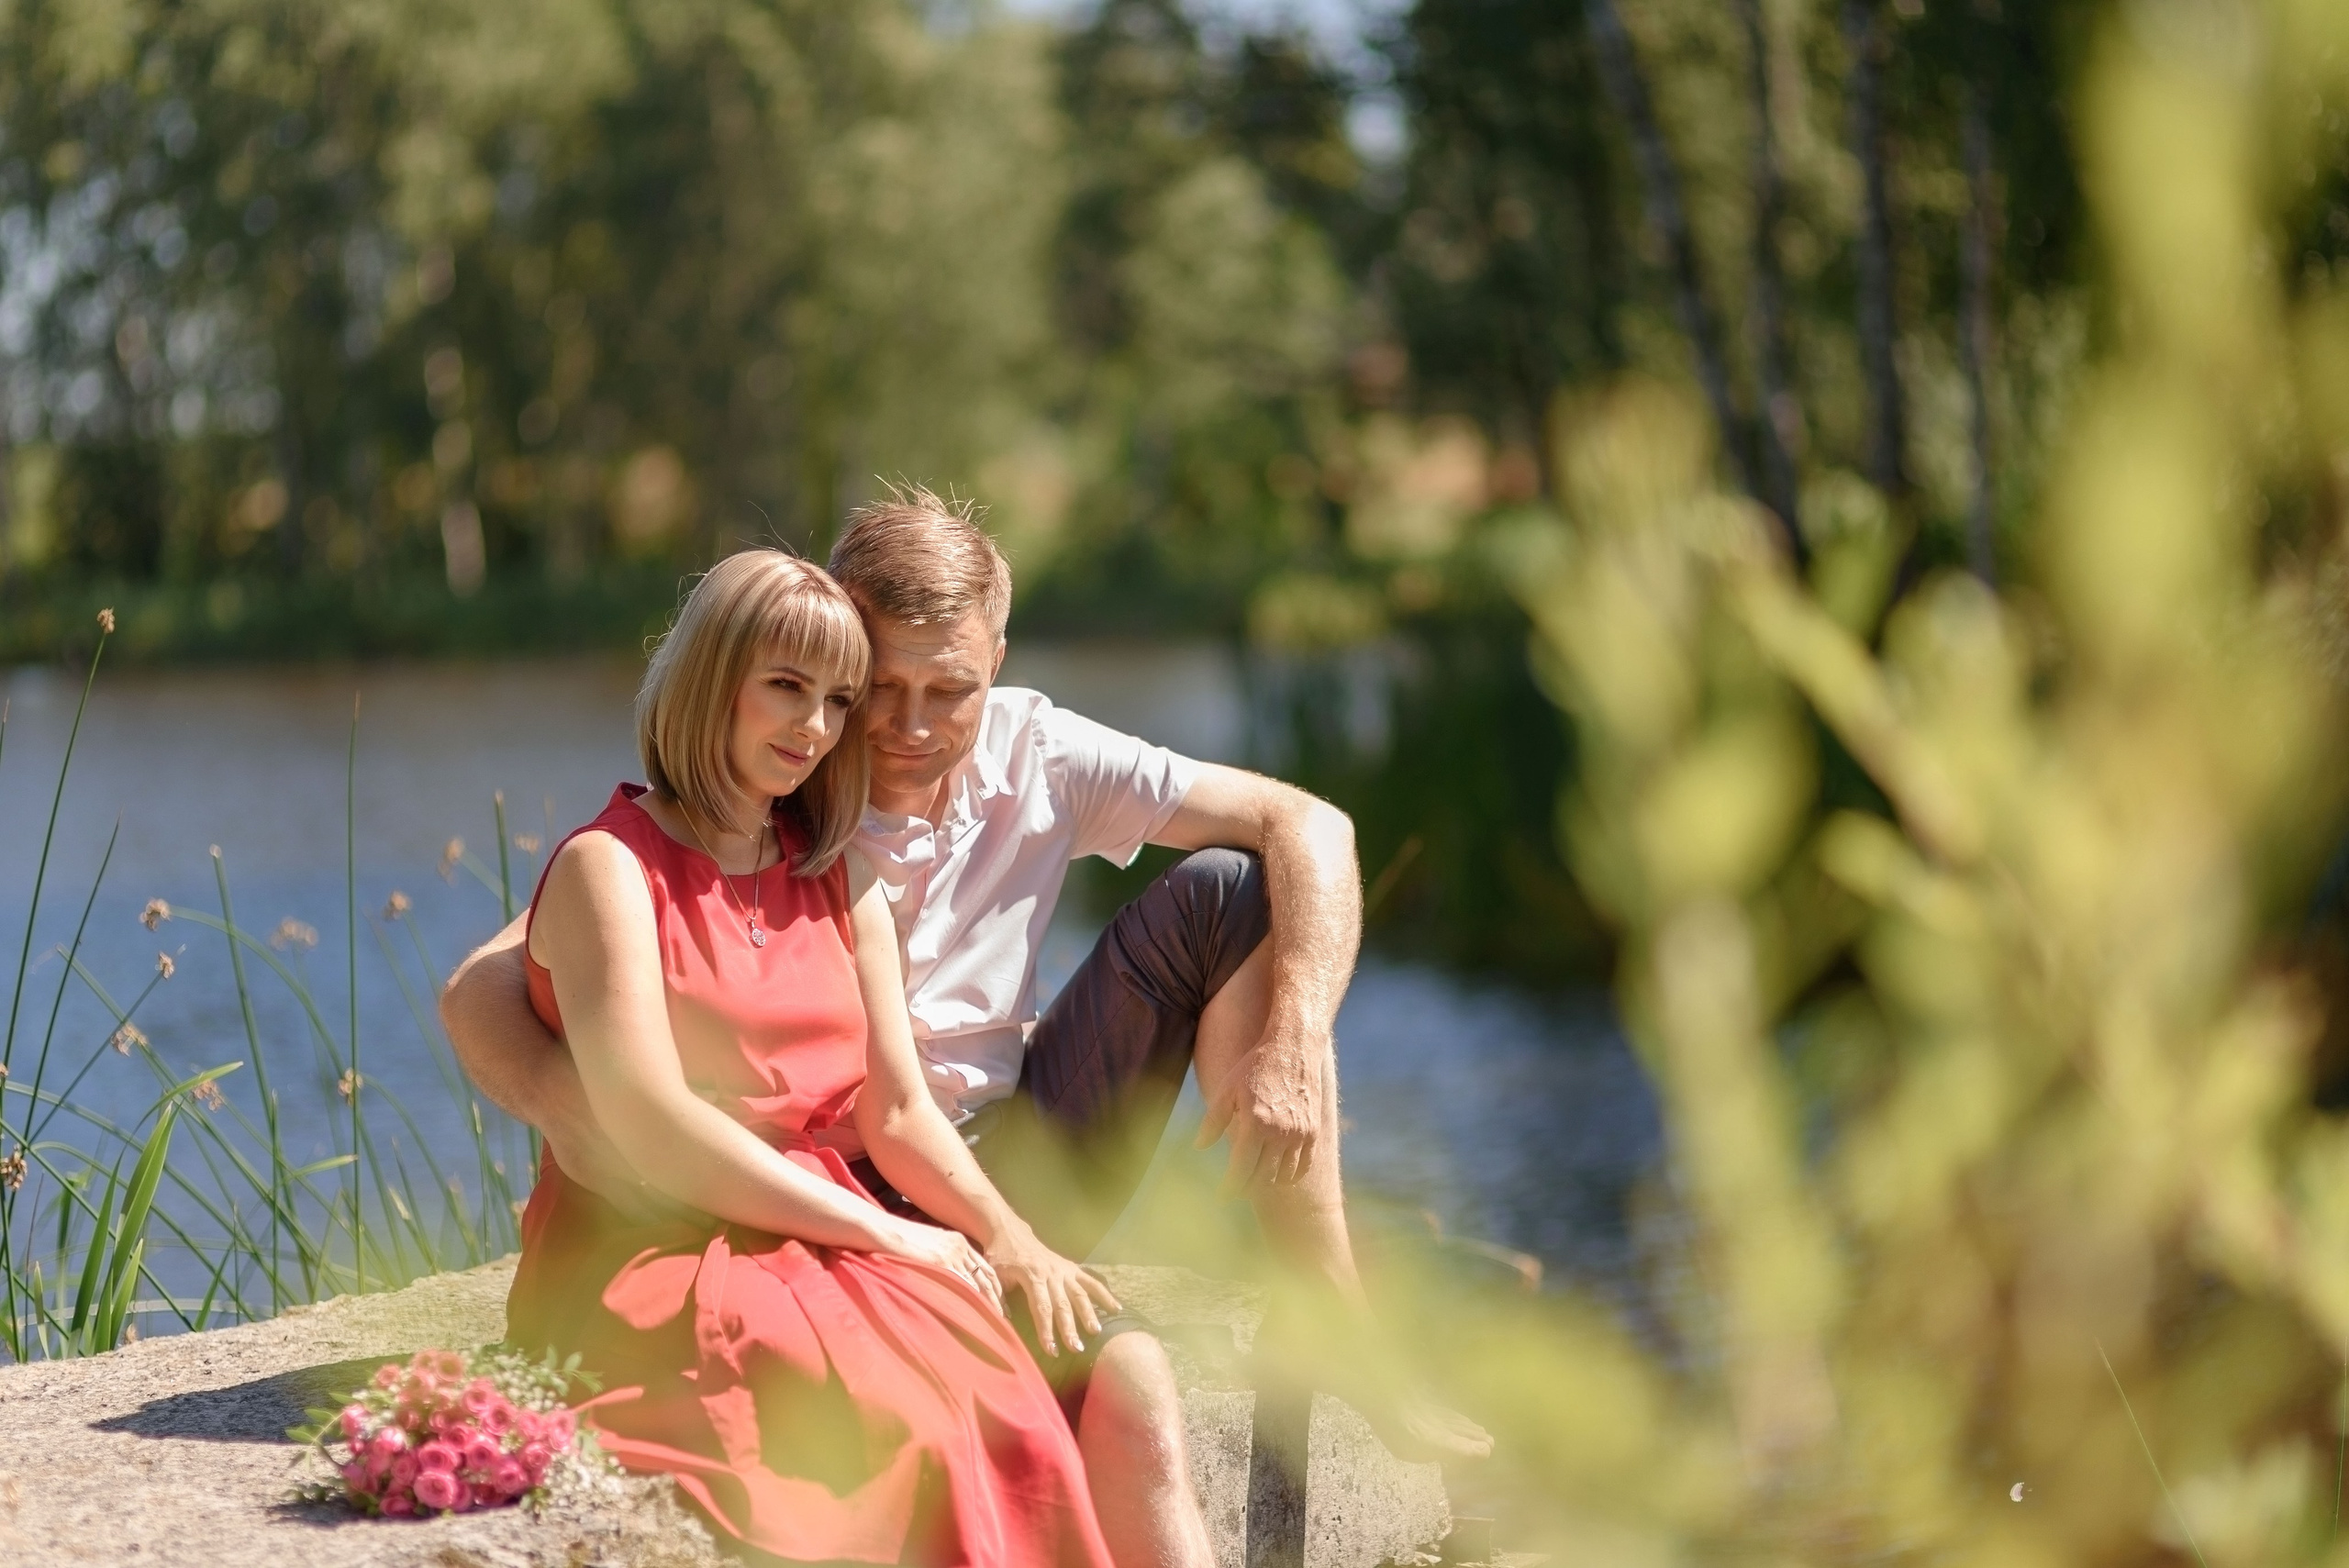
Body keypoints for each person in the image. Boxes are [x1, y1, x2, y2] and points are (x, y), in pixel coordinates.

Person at [448, 488, 1490, 1568]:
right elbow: (486, 980)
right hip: (839, 1177)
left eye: (951, 689)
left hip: (994, 1152)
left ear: (997, 657)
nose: (904, 724)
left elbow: (1306, 821)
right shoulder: (777, 794)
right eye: (873, 689)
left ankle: (1321, 1309)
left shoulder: (1031, 748)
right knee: (1056, 1389)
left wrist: (1294, 1041)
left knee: (1232, 891)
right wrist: (588, 1114)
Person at [500, 550, 1112, 1565]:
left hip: (812, 1229)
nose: (816, 728)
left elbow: (900, 1113)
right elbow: (655, 1128)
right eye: (785, 687)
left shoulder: (836, 871)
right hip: (652, 1244)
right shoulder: (608, 869)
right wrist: (884, 1232)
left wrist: (1002, 1234)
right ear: (709, 680)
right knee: (891, 1433)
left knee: (1008, 1400)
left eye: (837, 699)